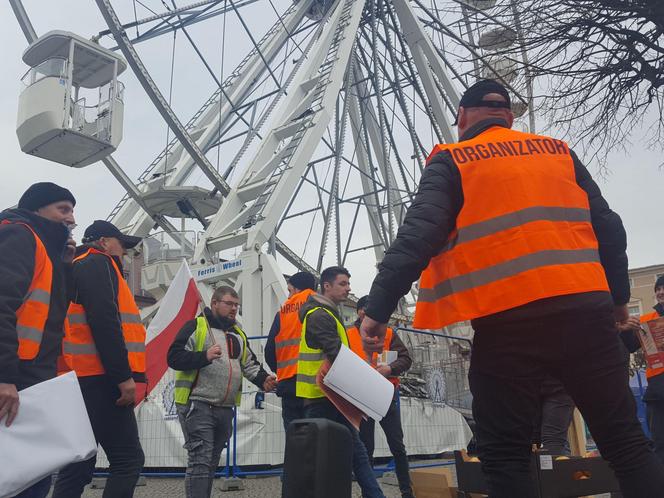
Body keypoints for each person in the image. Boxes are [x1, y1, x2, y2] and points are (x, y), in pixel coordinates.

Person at [360, 79, 664, 497]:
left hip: (509, 320)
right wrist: (617, 302)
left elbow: (418, 236)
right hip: (585, 314)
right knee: (626, 443)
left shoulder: (454, 159)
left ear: (463, 116)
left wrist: (378, 309)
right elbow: (609, 226)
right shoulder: (557, 152)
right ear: (509, 114)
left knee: (505, 454)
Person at [52, 220, 146, 498]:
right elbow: (105, 321)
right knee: (128, 460)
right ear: (104, 242)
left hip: (75, 378)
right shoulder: (98, 263)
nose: (125, 253)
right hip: (101, 379)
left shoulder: (73, 266)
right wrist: (123, 377)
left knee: (79, 464)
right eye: (122, 245)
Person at [0, 182, 76, 498]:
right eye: (64, 209)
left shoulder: (46, 250)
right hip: (17, 380)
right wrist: (4, 378)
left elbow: (53, 310)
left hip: (34, 381)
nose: (72, 218)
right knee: (24, 480)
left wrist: (65, 264)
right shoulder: (20, 236)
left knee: (32, 477)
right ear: (36, 210)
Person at [167, 286, 276, 498]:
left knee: (210, 462)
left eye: (236, 305)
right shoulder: (196, 326)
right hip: (197, 405)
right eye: (229, 303)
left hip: (225, 408)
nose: (234, 308)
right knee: (200, 461)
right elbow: (173, 357)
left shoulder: (238, 335)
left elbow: (249, 365)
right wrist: (204, 356)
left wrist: (265, 380)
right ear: (214, 303)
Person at [297, 266, 386, 498]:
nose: (348, 289)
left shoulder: (328, 314)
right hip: (322, 397)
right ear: (327, 286)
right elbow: (336, 354)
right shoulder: (319, 315)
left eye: (348, 284)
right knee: (337, 457)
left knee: (353, 454)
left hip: (331, 396)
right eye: (343, 284)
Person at [347, 296, 414, 498]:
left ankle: (407, 492)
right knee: (366, 448)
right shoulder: (348, 334)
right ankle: (370, 494)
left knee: (397, 446)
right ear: (360, 312)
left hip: (386, 394)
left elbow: (406, 358)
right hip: (362, 396)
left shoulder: (389, 333)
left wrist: (390, 369)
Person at [265, 271, 317, 431]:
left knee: (295, 441)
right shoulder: (321, 305)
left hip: (288, 384)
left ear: (296, 289)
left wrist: (282, 370)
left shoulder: (282, 313)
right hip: (315, 386)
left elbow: (269, 350)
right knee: (318, 440)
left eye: (289, 290)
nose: (288, 296)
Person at [634, 276, 664, 462]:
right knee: (660, 443)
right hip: (657, 392)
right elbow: (627, 344)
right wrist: (624, 326)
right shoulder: (646, 320)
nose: (660, 292)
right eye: (658, 289)